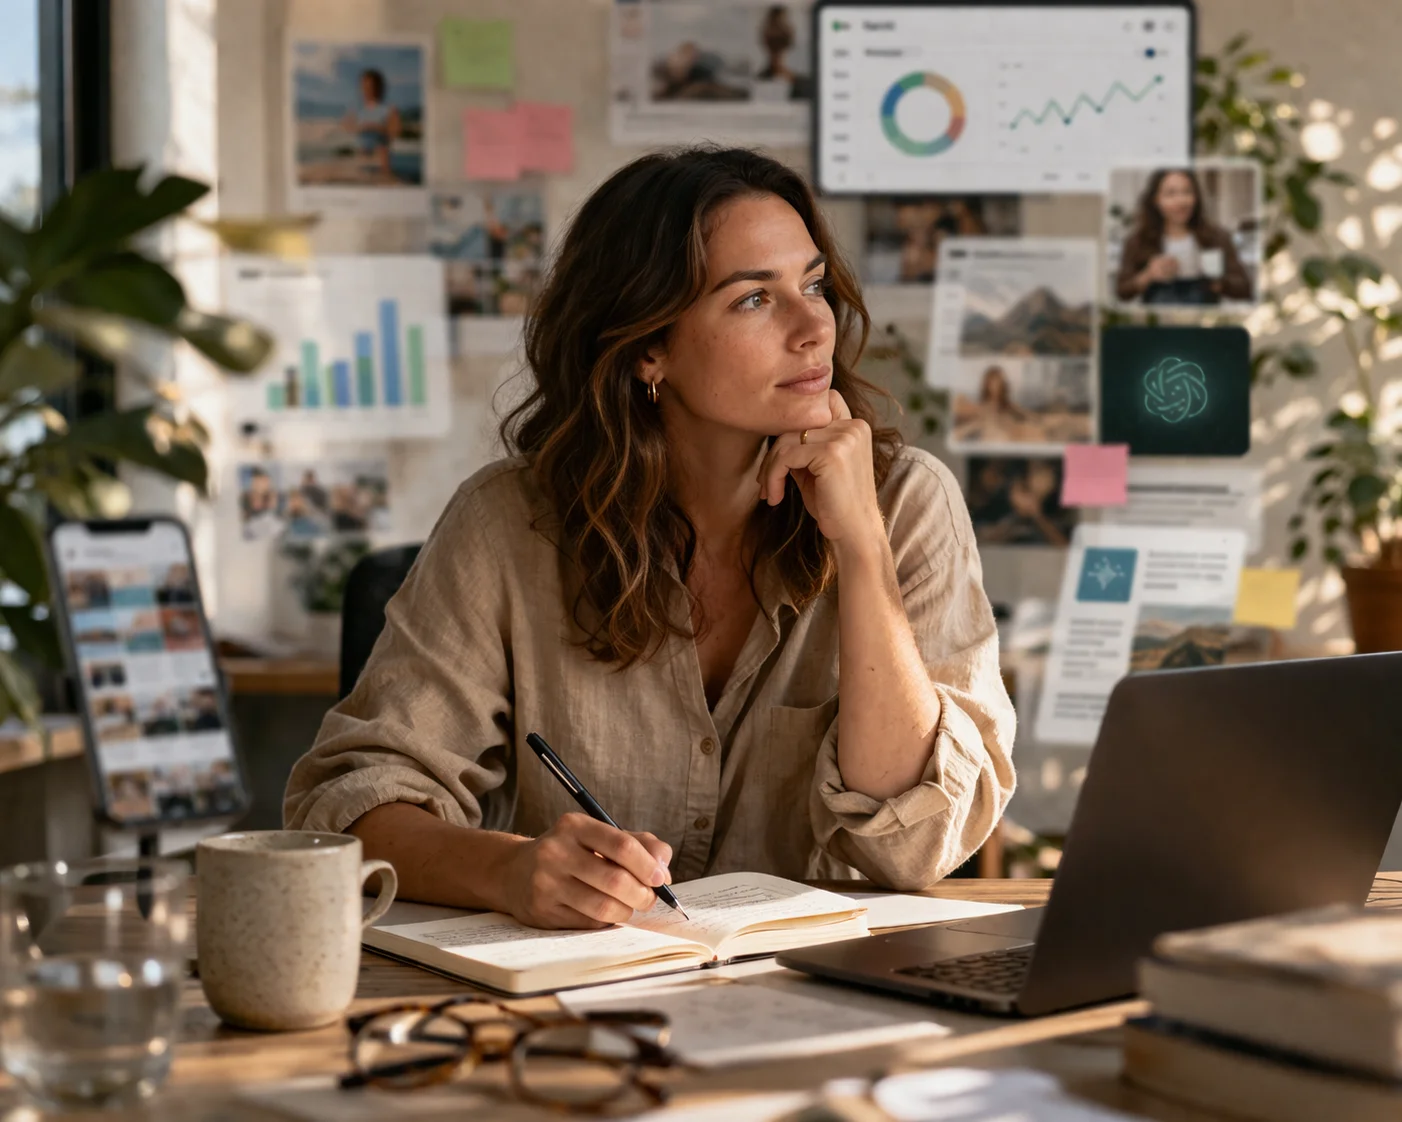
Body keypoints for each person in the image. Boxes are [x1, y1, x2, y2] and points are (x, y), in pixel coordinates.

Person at [284, 146, 1015, 930]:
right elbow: (343, 809)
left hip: (828, 996)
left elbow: (916, 846)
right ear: (646, 348)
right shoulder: (509, 525)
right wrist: (512, 869)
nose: (813, 329)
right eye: (752, 301)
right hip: (579, 1007)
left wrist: (863, 549)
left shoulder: (905, 502)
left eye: (812, 285)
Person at [1114, 168, 1253, 305]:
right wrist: (1148, 275)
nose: (1181, 201)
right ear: (1156, 200)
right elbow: (1122, 292)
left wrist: (1217, 282)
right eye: (1171, 194)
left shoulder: (1217, 236)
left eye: (1187, 192)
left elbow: (1245, 288)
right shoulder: (1138, 240)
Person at [340, 68, 401, 183]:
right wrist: (361, 128)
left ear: (379, 87)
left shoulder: (389, 109)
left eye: (371, 86)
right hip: (361, 155)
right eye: (364, 86)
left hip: (382, 157)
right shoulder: (355, 108)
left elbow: (395, 132)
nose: (367, 89)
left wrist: (375, 127)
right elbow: (345, 127)